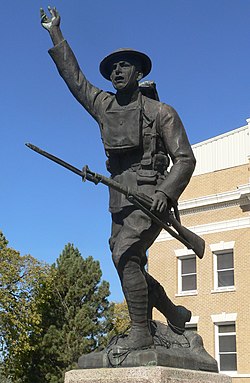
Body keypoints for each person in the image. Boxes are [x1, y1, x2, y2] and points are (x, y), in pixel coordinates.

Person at [40, 7, 196, 350]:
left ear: (138, 71)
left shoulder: (161, 112)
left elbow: (185, 159)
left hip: (150, 195)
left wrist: (166, 192)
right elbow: (75, 79)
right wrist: (55, 34)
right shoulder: (104, 106)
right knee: (129, 262)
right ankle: (172, 312)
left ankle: (140, 331)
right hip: (118, 198)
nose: (116, 71)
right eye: (112, 68)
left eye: (123, 65)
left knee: (124, 254)